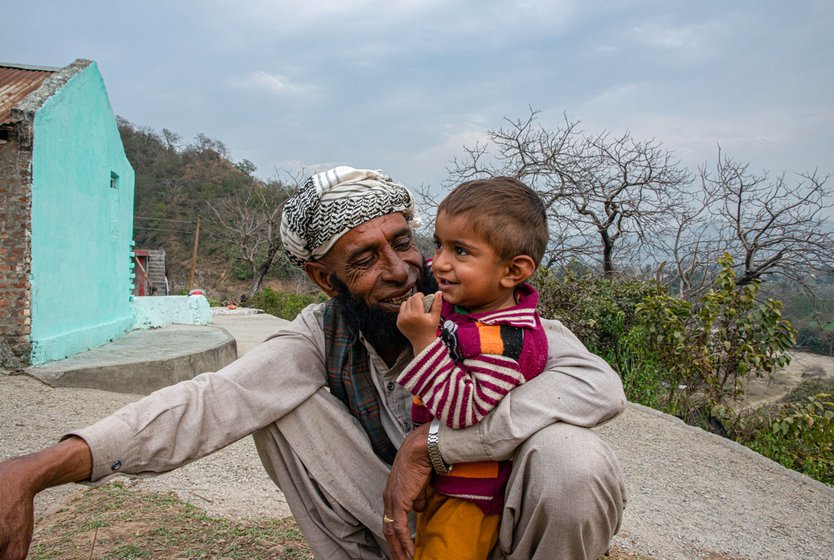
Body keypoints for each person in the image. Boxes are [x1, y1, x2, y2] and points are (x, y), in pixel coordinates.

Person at [0, 166, 627, 560]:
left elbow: (595, 385)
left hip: (498, 524)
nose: (402, 269)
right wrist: (32, 470)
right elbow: (205, 403)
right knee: (272, 404)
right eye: (364, 259)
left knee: (575, 458)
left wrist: (433, 445)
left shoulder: (485, 310)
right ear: (325, 279)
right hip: (402, 533)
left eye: (404, 242)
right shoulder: (318, 336)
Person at [395, 177, 550, 559]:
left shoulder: (508, 339)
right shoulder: (469, 311)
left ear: (513, 272)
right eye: (440, 244)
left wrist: (422, 342)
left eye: (461, 251)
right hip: (445, 477)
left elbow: (464, 410)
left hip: (470, 493)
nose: (439, 263)